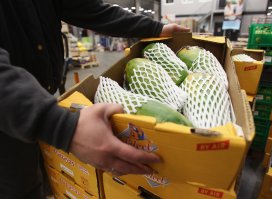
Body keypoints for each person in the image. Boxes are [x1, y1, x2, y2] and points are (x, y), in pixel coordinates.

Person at [0, 1, 190, 198]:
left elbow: (87, 9)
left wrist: (154, 28)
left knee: (37, 173)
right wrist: (62, 127)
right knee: (18, 186)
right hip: (7, 112)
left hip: (39, 99)